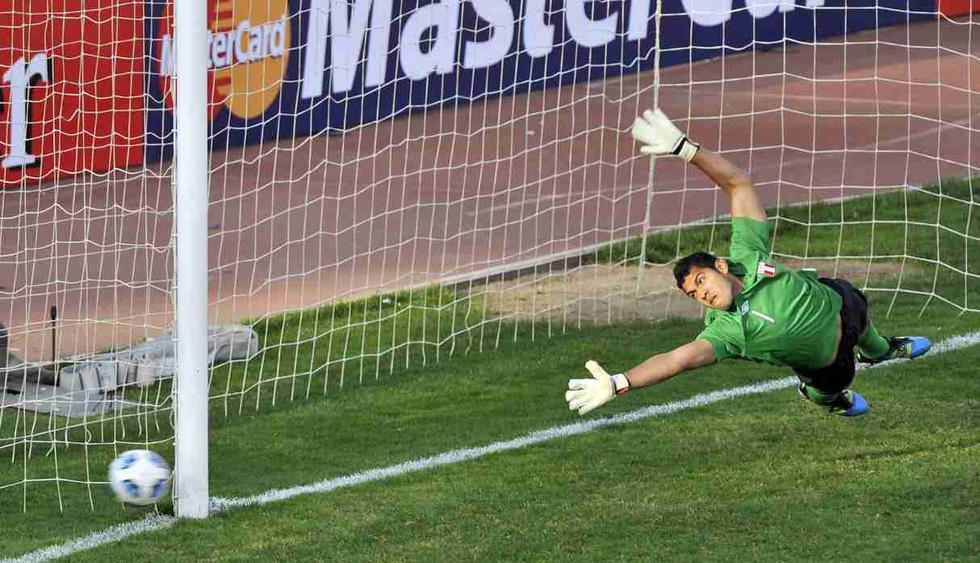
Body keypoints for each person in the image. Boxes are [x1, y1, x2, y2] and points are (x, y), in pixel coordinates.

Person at [564, 109, 931, 418]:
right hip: (826, 364)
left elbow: (738, 185)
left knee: (859, 310)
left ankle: (881, 350)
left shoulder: (748, 253)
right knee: (834, 386)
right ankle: (827, 398)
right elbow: (677, 359)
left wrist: (685, 149)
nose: (701, 294)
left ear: (721, 266)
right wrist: (619, 382)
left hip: (838, 301)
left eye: (701, 281)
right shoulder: (725, 332)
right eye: (693, 294)